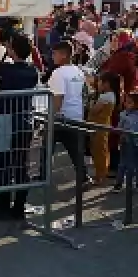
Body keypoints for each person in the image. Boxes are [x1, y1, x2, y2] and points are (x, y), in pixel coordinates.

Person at [0, 31, 40, 220]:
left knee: (3, 165)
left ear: (12, 50)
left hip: (6, 122)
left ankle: (2, 204)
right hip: (25, 121)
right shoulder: (32, 71)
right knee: (21, 165)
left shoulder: (8, 70)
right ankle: (18, 206)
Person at [48, 41, 89, 183]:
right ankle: (83, 176)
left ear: (64, 54)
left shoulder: (58, 73)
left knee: (47, 148)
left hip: (61, 118)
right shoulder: (78, 71)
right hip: (76, 115)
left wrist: (51, 117)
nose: (52, 56)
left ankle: (43, 175)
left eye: (55, 53)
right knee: (75, 151)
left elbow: (58, 98)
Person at [88, 72, 120, 185]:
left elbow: (94, 110)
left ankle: (100, 175)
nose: (98, 84)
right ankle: (101, 173)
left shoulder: (104, 96)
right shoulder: (112, 95)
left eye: (100, 82)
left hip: (99, 126)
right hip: (104, 125)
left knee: (98, 151)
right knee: (102, 150)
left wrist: (91, 102)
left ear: (106, 84)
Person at [113, 92, 138, 192]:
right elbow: (119, 127)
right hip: (127, 141)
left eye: (130, 102)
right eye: (126, 102)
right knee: (124, 163)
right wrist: (121, 134)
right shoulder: (123, 114)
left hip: (136, 141)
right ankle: (119, 183)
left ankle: (135, 183)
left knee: (135, 163)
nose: (126, 104)